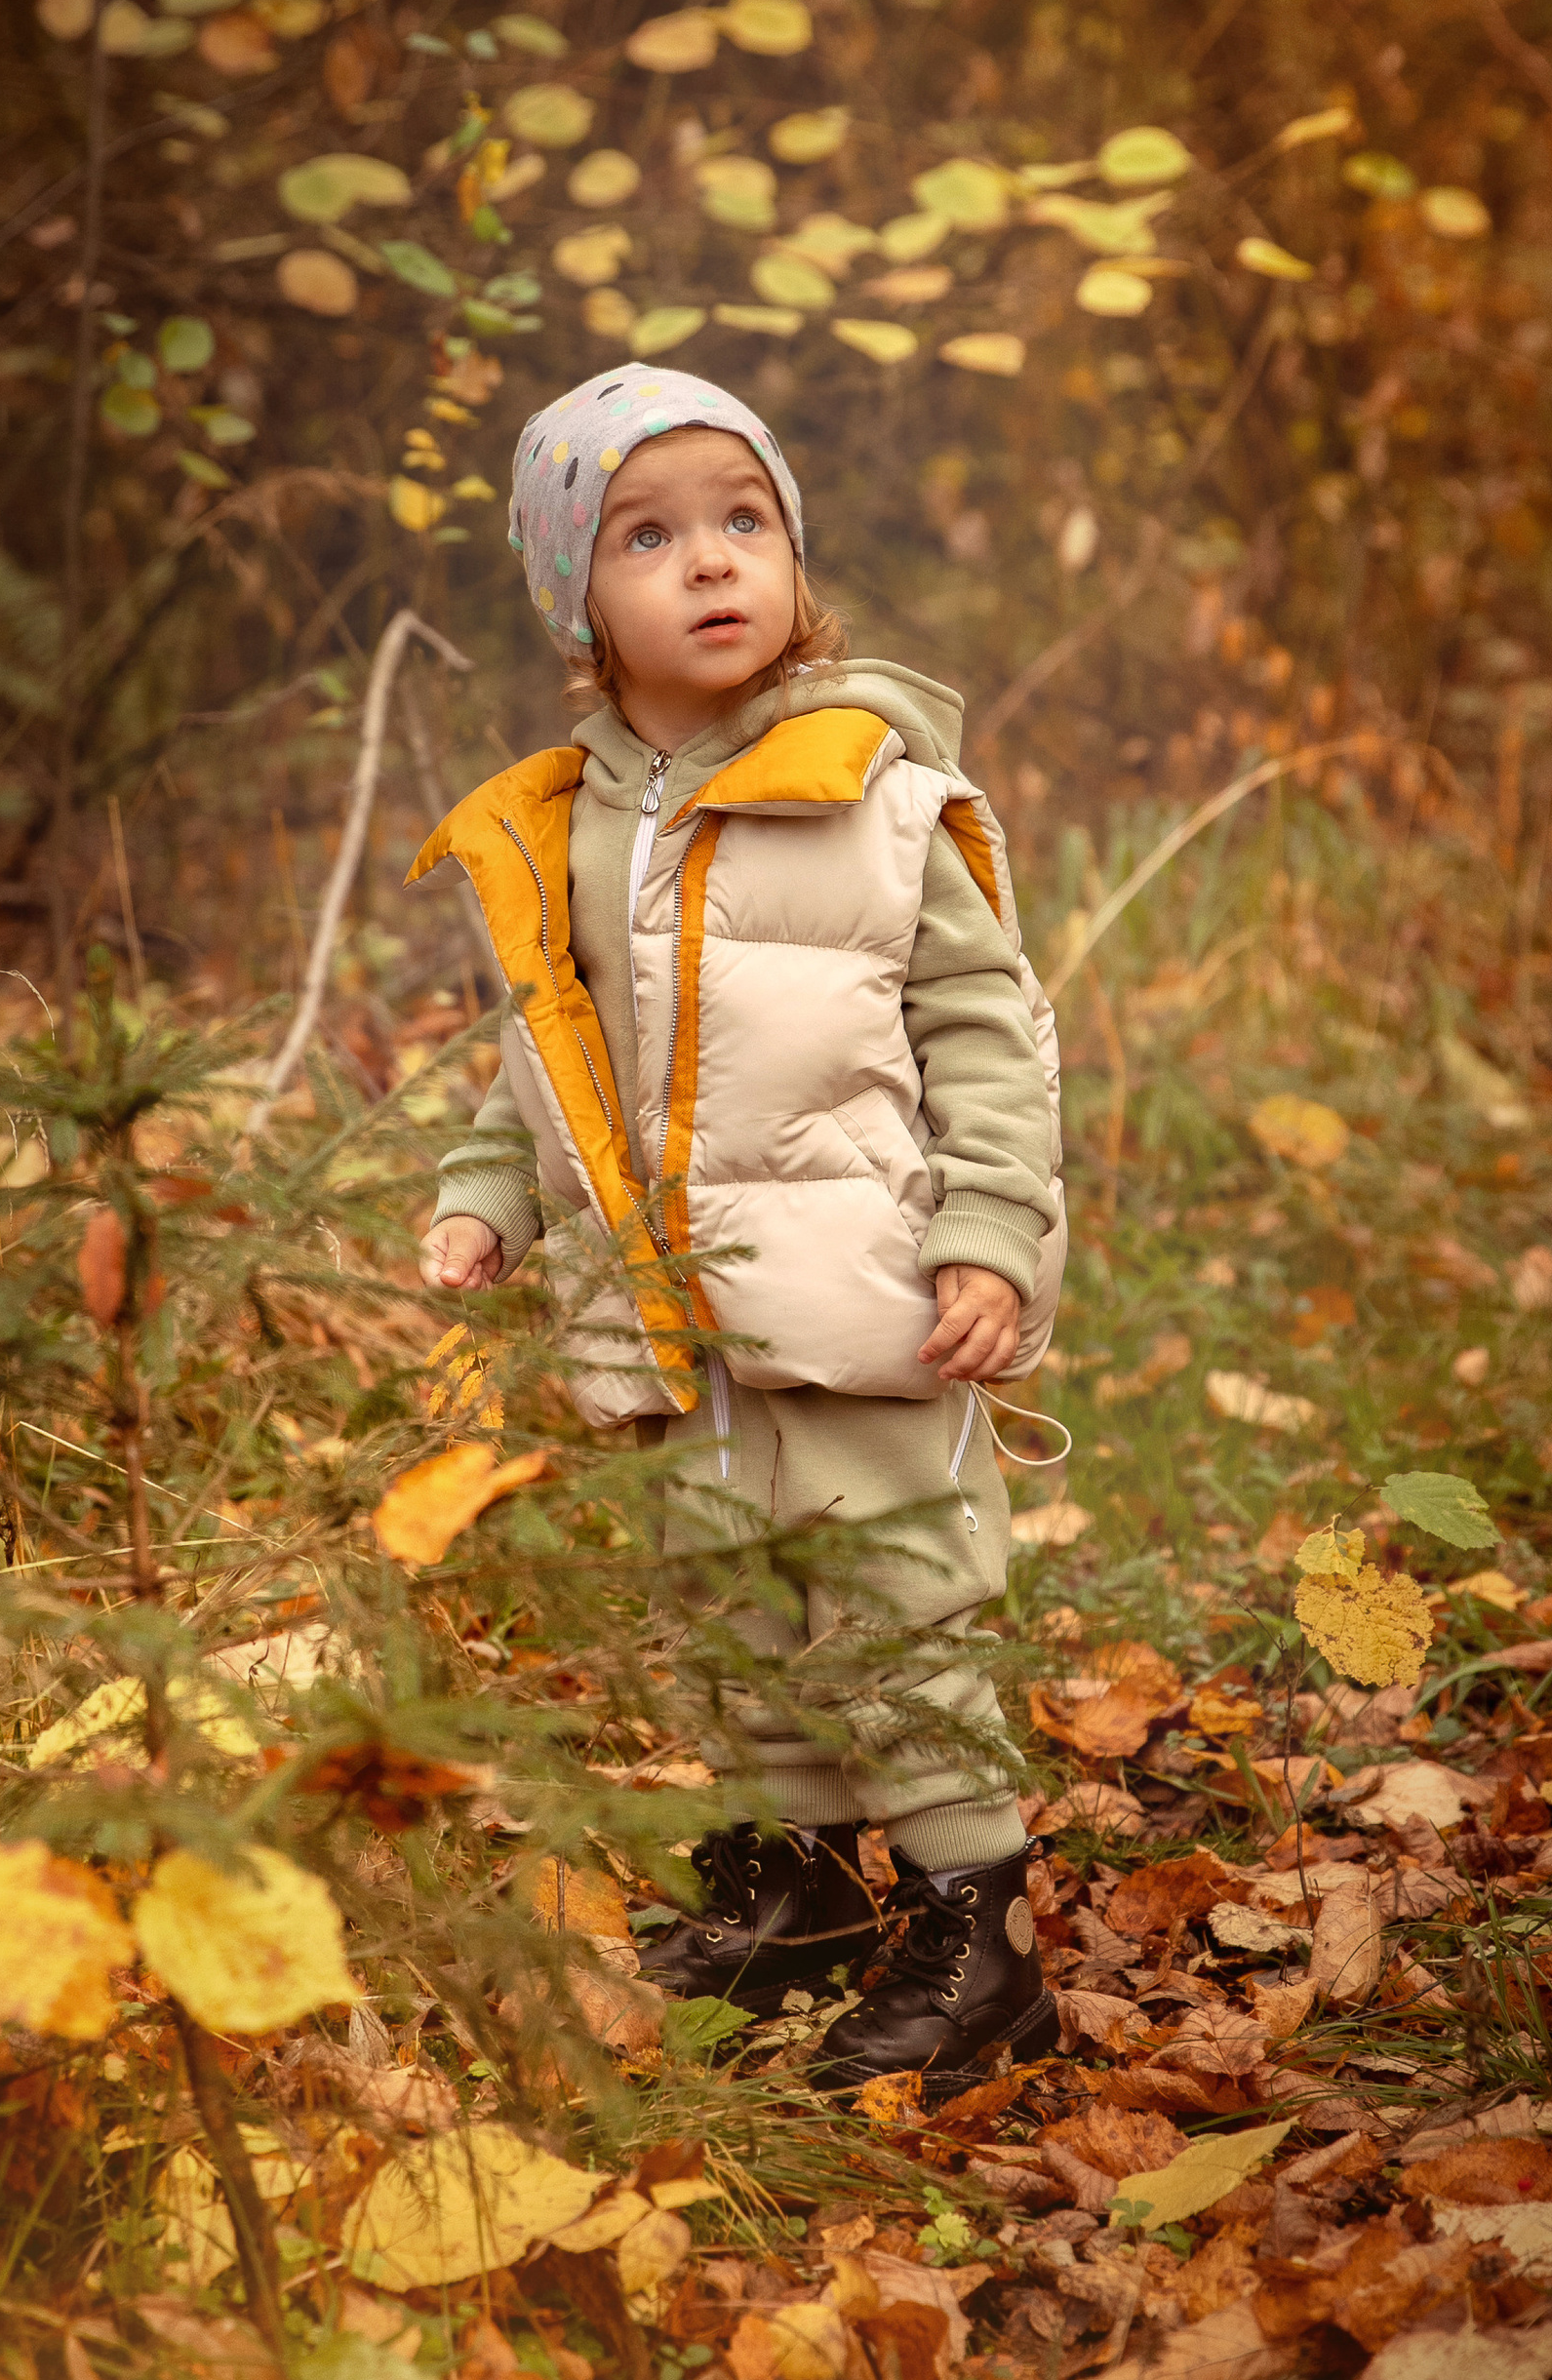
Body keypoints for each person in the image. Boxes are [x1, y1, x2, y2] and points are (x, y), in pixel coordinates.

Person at [412, 365, 1064, 2090]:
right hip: (672, 1317)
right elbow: (550, 1059)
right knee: (732, 1614)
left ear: (792, 555)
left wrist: (991, 1236)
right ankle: (795, 1890)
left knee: (893, 1609)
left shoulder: (877, 791)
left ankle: (978, 1933)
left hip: (867, 1305)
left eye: (742, 520)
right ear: (579, 598)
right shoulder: (575, 825)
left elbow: (993, 1039)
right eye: (650, 534)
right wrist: (491, 1200)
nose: (710, 561)